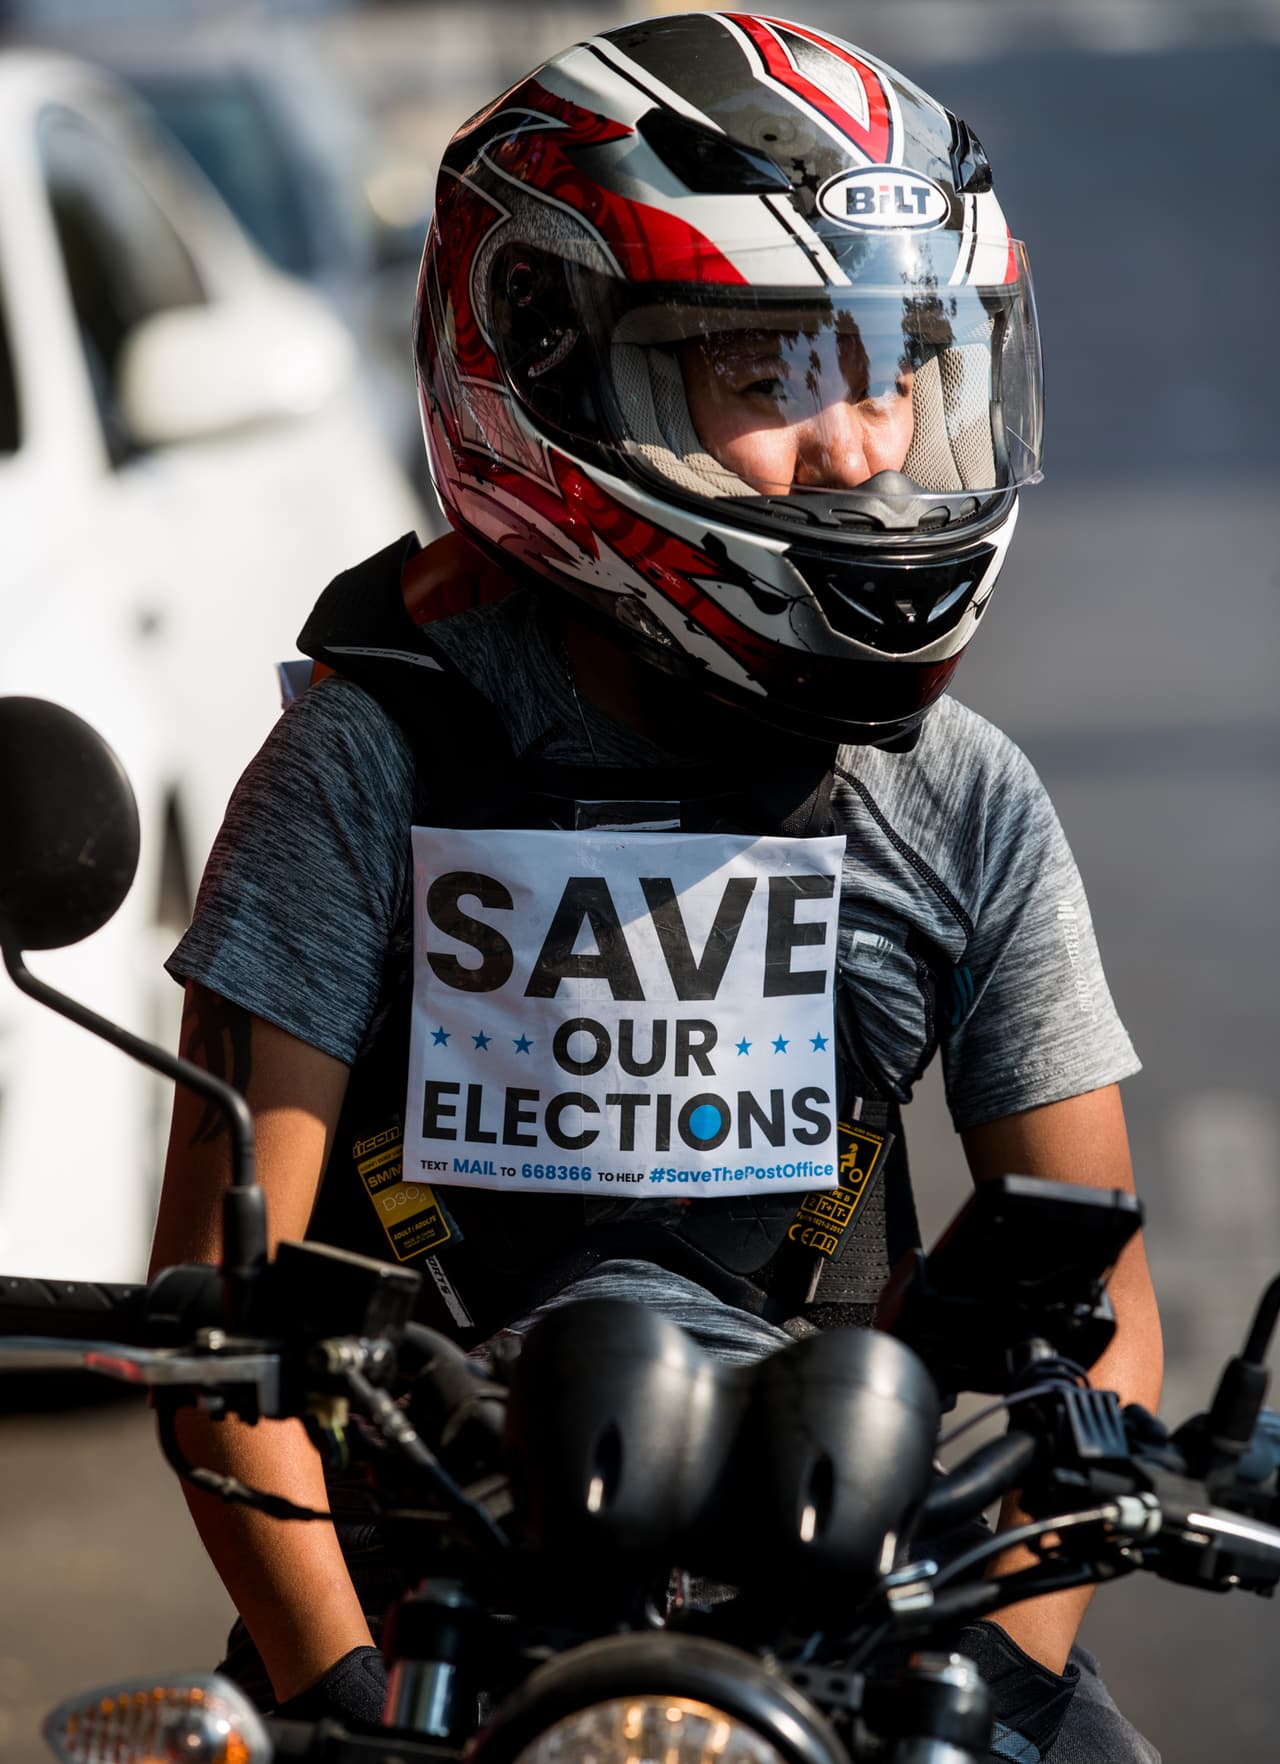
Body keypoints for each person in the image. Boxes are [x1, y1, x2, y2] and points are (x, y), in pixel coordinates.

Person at [149, 14, 1163, 1761]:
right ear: (544, 364)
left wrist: (994, 1670)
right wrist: (344, 1690)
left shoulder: (960, 797)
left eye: (892, 370)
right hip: (436, 1609)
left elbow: (1107, 1318)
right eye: (769, 375)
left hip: (856, 1609)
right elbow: (216, 1315)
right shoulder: (366, 763)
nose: (857, 450)